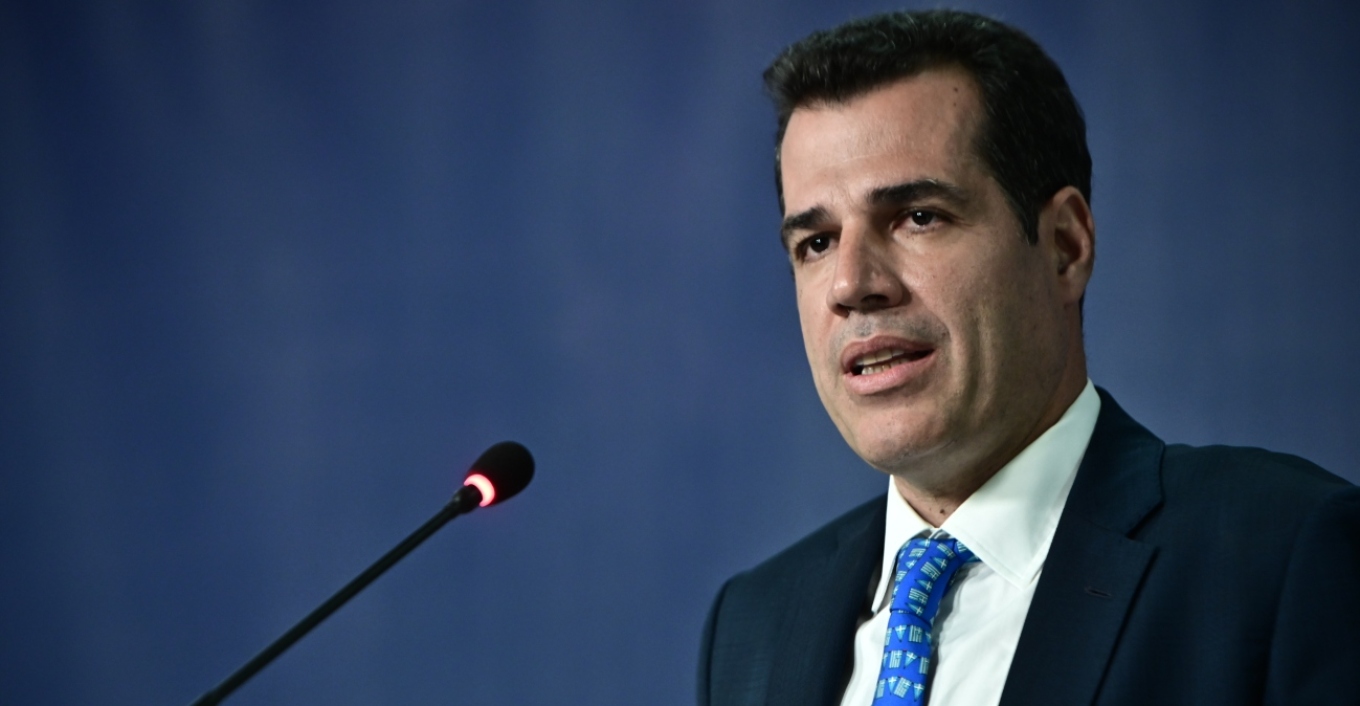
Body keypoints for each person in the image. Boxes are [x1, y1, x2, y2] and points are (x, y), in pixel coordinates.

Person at [696, 9, 1359, 706]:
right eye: (817, 242)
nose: (851, 284)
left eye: (918, 217)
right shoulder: (754, 624)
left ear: (1065, 247)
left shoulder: (1280, 558)